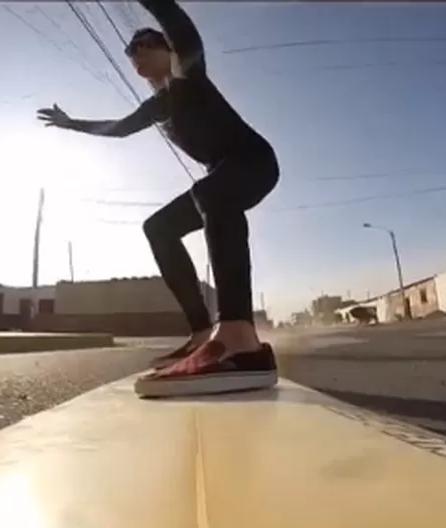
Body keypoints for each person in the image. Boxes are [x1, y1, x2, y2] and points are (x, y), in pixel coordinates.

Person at [38, 0, 279, 397]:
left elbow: (178, 23)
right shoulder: (157, 105)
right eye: (132, 54)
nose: (137, 56)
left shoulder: (189, 75)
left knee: (210, 191)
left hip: (254, 163)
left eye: (146, 47)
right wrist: (70, 124)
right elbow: (117, 127)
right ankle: (203, 334)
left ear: (168, 51)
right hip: (223, 179)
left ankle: (239, 338)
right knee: (159, 227)